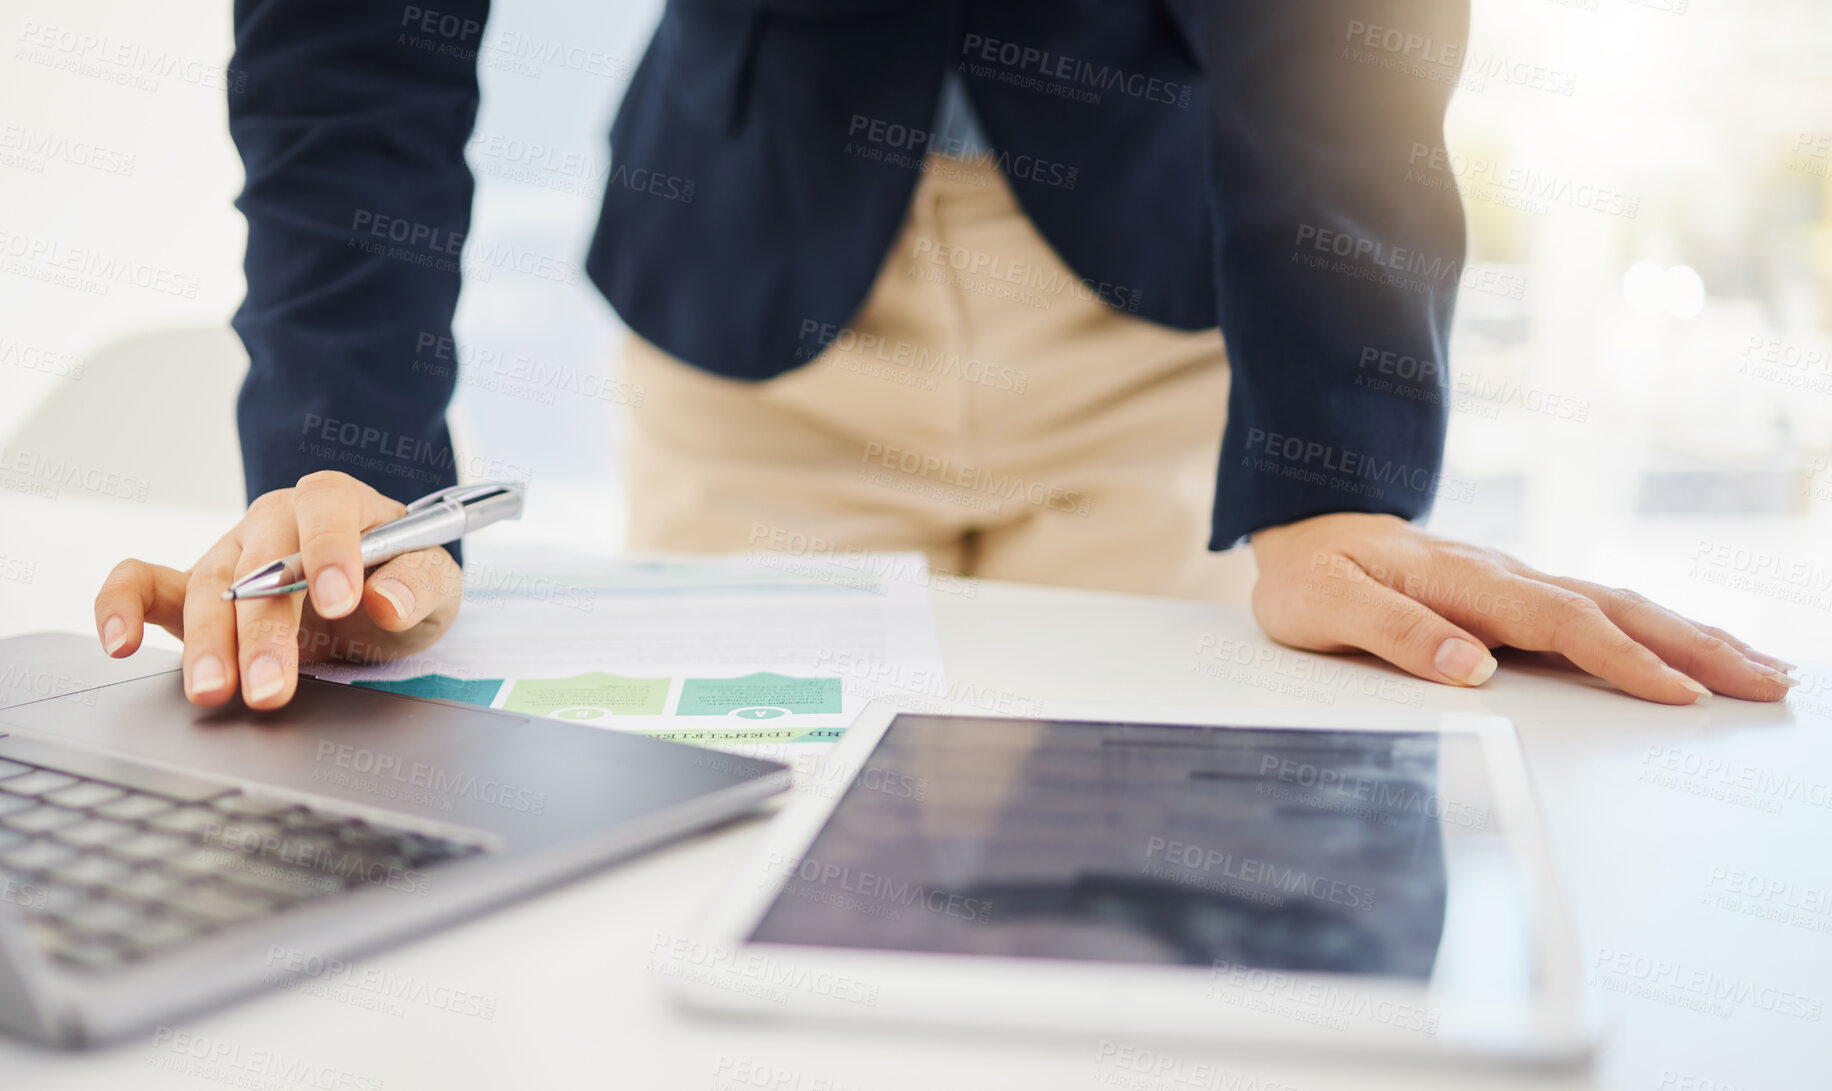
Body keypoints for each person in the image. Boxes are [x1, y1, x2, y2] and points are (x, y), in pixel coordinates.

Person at [93, 0, 1796, 709]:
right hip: (758, 299)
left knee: (1150, 922)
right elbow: (352, 32)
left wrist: (1332, 459)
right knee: (732, 886)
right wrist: (359, 474)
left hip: (1160, 317)